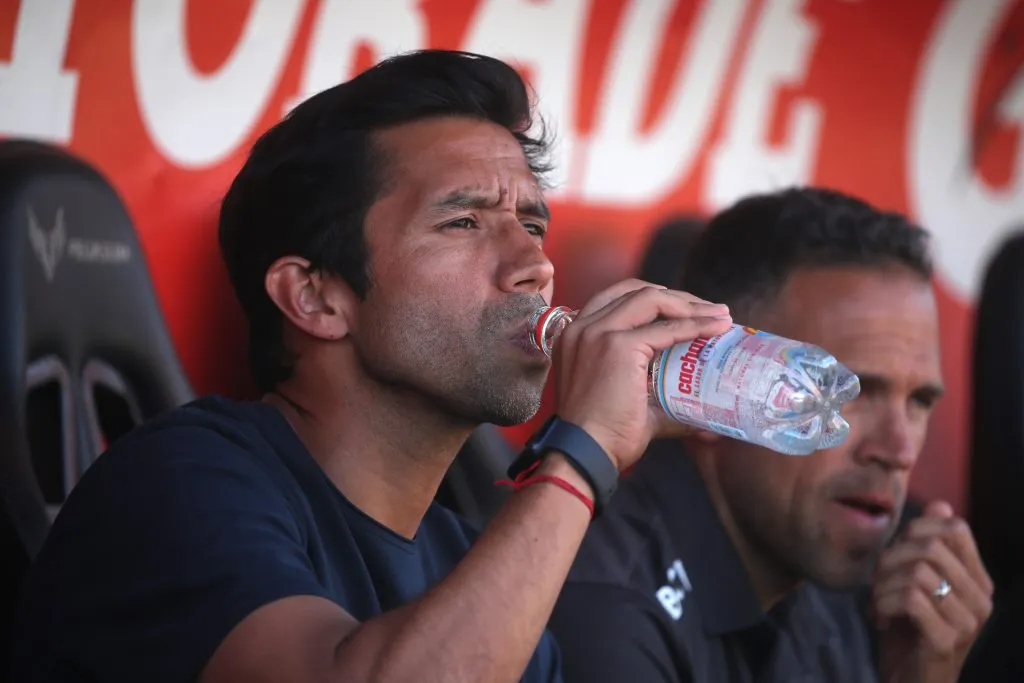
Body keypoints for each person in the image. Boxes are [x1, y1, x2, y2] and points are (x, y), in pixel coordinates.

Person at [9, 50, 734, 683]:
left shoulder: (473, 564)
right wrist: (583, 454)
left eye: (533, 224)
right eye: (464, 222)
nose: (534, 265)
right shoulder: (179, 479)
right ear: (315, 297)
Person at [548, 187, 994, 683]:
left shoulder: (843, 592)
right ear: (713, 385)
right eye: (843, 391)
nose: (899, 450)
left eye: (919, 402)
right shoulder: (606, 608)